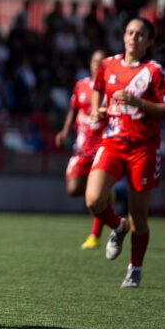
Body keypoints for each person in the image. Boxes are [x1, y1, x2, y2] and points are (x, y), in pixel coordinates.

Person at [85, 17, 165, 288]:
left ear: (149, 41)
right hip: (113, 142)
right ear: (123, 36)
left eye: (140, 34)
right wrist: (96, 111)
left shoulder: (154, 71)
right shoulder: (108, 65)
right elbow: (98, 89)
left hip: (143, 148)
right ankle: (117, 226)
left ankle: (135, 268)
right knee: (93, 199)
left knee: (139, 217)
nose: (134, 38)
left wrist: (139, 103)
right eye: (130, 33)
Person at [55, 50, 112, 249]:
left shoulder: (112, 88)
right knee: (73, 188)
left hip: (104, 145)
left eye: (101, 62)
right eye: (94, 61)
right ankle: (108, 199)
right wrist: (64, 132)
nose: (97, 65)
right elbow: (73, 110)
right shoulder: (81, 85)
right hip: (82, 146)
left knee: (95, 193)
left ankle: (95, 236)